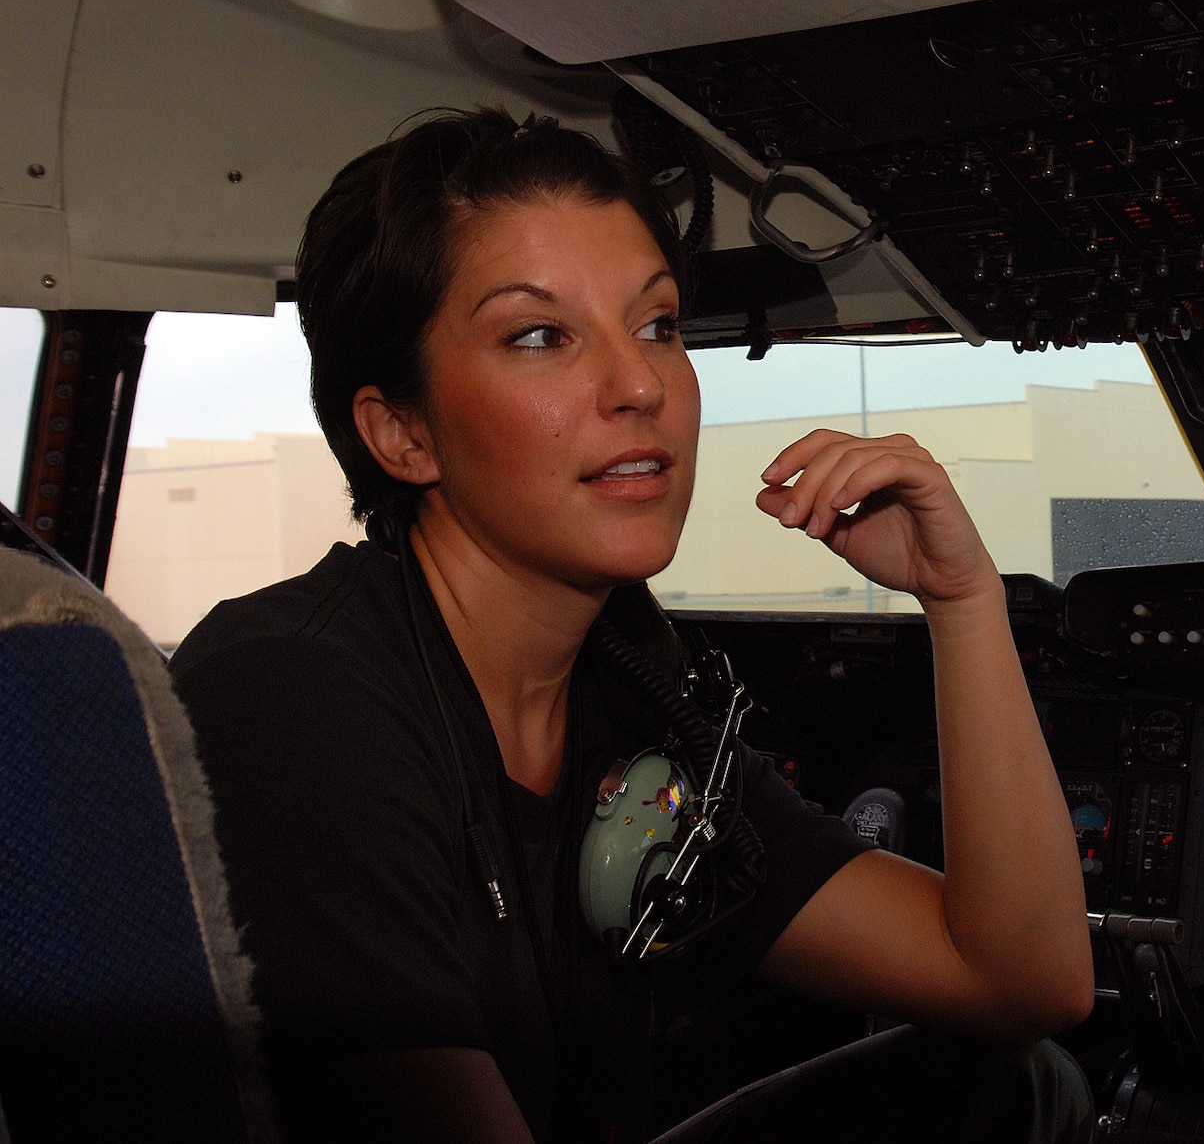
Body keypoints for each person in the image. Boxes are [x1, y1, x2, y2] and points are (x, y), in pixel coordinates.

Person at [170, 108, 1096, 1143]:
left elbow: (1020, 981)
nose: (641, 383)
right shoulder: (292, 694)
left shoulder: (630, 694)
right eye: (538, 336)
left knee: (1018, 1085)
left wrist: (961, 603)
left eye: (655, 324)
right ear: (402, 431)